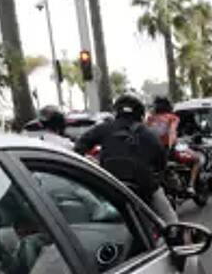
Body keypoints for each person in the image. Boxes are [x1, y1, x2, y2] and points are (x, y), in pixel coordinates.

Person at [75, 92, 177, 224]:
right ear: (140, 113)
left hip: (109, 185)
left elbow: (79, 148)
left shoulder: (104, 128)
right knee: (171, 221)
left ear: (117, 111)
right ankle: (179, 239)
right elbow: (161, 162)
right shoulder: (149, 134)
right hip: (144, 187)